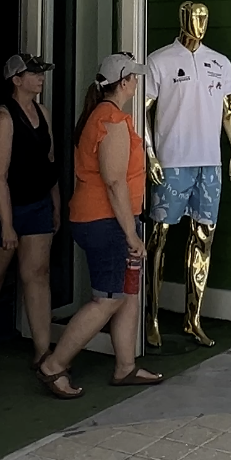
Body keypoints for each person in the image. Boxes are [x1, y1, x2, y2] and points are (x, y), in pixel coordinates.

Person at [34, 53, 162, 398]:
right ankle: (53, 365)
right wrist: (132, 233)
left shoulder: (106, 116)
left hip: (109, 219)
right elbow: (114, 182)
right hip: (106, 222)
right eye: (134, 77)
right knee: (107, 298)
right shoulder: (111, 120)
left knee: (126, 293)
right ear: (123, 82)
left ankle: (125, 366)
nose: (138, 82)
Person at [0, 53, 60, 373]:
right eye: (32, 73)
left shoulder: (43, 113)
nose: (39, 77)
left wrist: (55, 205)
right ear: (16, 81)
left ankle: (43, 350)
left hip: (37, 204)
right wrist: (7, 225)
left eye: (40, 72)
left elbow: (50, 165)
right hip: (0, 207)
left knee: (38, 274)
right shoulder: (3, 118)